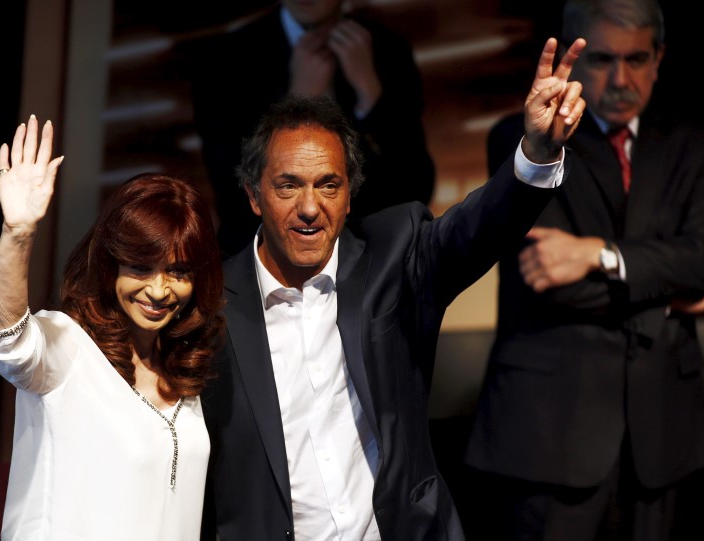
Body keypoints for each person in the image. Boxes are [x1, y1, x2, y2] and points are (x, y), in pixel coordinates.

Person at [198, 35, 588, 540]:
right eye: (288, 185)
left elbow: (477, 228)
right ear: (254, 196)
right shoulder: (208, 305)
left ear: (349, 197)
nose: (311, 207)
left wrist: (536, 150)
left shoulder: (394, 258)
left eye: (329, 185)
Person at [463, 0, 704, 539]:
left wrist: (597, 256)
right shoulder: (525, 139)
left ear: (659, 58)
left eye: (637, 59)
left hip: (665, 440)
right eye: (604, 59)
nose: (621, 78)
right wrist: (676, 291)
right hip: (549, 438)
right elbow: (545, 281)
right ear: (577, 61)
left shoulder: (695, 143)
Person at [0, 115, 226, 540]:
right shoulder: (69, 346)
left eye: (178, 271)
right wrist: (17, 233)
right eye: (141, 268)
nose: (159, 290)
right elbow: (5, 342)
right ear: (112, 264)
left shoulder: (178, 368)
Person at [186, 0, 436, 257]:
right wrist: (295, 104)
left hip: (371, 262)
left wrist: (371, 97)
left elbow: (417, 187)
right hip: (264, 264)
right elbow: (233, 196)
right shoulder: (221, 60)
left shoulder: (387, 50)